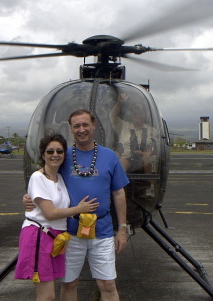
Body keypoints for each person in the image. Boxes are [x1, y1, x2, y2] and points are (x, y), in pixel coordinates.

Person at [24, 109, 129, 301]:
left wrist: (122, 228)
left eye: (85, 124)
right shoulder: (64, 155)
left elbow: (119, 192)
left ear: (94, 126)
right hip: (71, 232)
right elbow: (46, 174)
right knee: (69, 283)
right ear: (71, 129)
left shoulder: (109, 156)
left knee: (108, 283)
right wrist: (29, 196)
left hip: (103, 230)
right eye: (76, 126)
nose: (82, 129)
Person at [15, 133, 99, 301]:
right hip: (40, 236)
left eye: (59, 151)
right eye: (50, 151)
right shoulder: (38, 177)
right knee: (47, 297)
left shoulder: (59, 177)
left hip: (56, 238)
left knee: (50, 294)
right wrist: (79, 209)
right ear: (43, 155)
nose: (55, 155)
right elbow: (50, 213)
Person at [110, 92, 159, 173]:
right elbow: (112, 116)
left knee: (148, 160)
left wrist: (146, 153)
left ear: (144, 115)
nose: (138, 115)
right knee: (121, 164)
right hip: (126, 157)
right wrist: (119, 103)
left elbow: (156, 147)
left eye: (140, 113)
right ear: (132, 115)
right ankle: (120, 184)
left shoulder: (152, 130)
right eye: (135, 113)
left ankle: (151, 183)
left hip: (144, 159)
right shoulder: (123, 126)